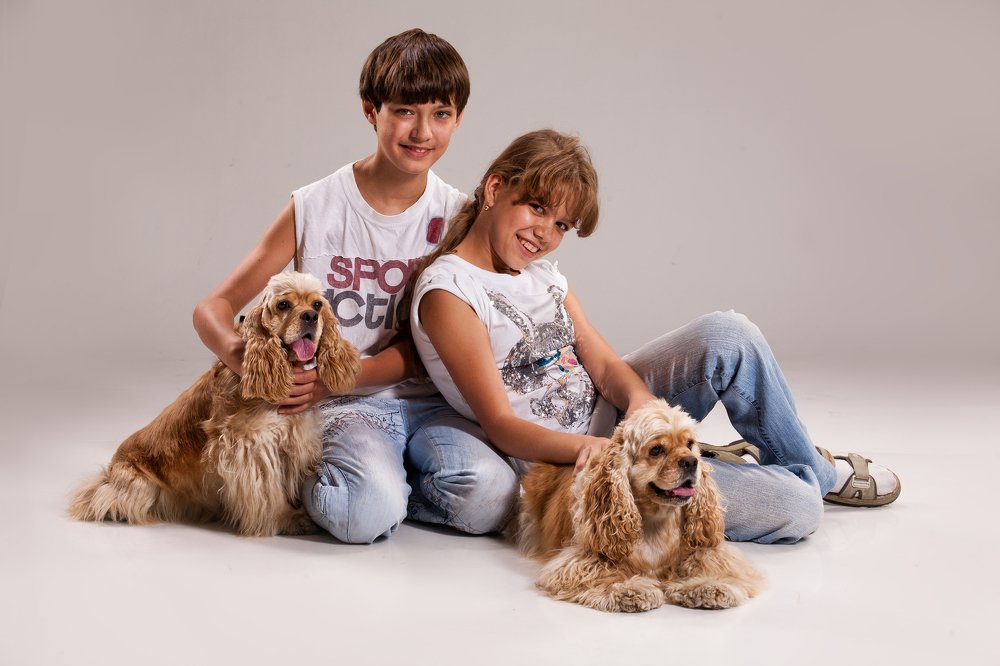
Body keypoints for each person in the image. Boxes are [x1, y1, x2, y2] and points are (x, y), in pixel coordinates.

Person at [410, 129, 901, 545]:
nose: (544, 233)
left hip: (623, 430)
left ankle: (806, 466)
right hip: (571, 461)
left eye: (561, 224)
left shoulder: (541, 276)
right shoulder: (450, 292)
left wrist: (650, 417)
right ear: (496, 188)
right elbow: (499, 425)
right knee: (797, 507)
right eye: (536, 208)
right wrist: (608, 451)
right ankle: (776, 476)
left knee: (729, 334)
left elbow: (603, 367)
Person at [193, 29, 519, 544]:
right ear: (371, 110)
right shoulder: (316, 206)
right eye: (405, 111)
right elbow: (212, 308)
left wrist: (354, 373)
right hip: (345, 406)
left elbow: (452, 337)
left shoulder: (459, 215)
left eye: (441, 113)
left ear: (458, 119)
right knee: (361, 516)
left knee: (493, 498)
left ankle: (392, 486)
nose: (422, 131)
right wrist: (248, 362)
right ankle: (368, 486)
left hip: (431, 401)